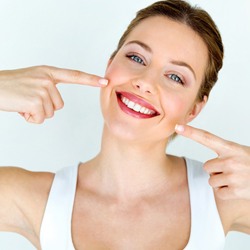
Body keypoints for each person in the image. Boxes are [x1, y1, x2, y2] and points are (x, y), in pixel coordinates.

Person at [0, 0, 250, 249]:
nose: (145, 82)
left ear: (194, 109)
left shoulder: (223, 196)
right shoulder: (37, 199)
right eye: (136, 58)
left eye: (175, 76)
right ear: (110, 65)